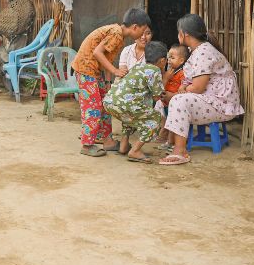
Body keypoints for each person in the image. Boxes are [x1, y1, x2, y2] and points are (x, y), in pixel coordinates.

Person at [160, 14, 244, 165]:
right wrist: (183, 88)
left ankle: (180, 152)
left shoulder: (204, 52)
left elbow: (198, 87)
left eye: (179, 32)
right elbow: (192, 81)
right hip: (212, 100)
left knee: (178, 101)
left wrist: (178, 93)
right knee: (176, 99)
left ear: (184, 34)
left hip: (220, 105)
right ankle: (173, 142)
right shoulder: (198, 51)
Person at [71, 8, 151, 157]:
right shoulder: (116, 33)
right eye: (143, 30)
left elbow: (107, 58)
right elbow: (97, 53)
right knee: (93, 107)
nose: (143, 35)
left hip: (95, 71)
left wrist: (108, 83)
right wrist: (115, 71)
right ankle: (87, 145)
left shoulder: (119, 36)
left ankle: (107, 141)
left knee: (105, 104)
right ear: (135, 27)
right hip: (85, 69)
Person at [104, 41, 169, 164]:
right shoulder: (155, 70)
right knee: (155, 118)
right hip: (126, 104)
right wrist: (166, 78)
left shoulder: (138, 66)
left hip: (110, 102)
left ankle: (123, 145)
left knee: (129, 115)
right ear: (162, 61)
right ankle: (135, 150)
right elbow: (157, 96)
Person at [154, 44, 190, 151]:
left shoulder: (182, 72)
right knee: (170, 122)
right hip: (166, 102)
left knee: (173, 123)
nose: (169, 60)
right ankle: (169, 142)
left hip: (175, 102)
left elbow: (186, 81)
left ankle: (172, 143)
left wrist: (183, 87)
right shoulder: (170, 71)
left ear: (181, 60)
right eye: (168, 57)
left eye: (172, 58)